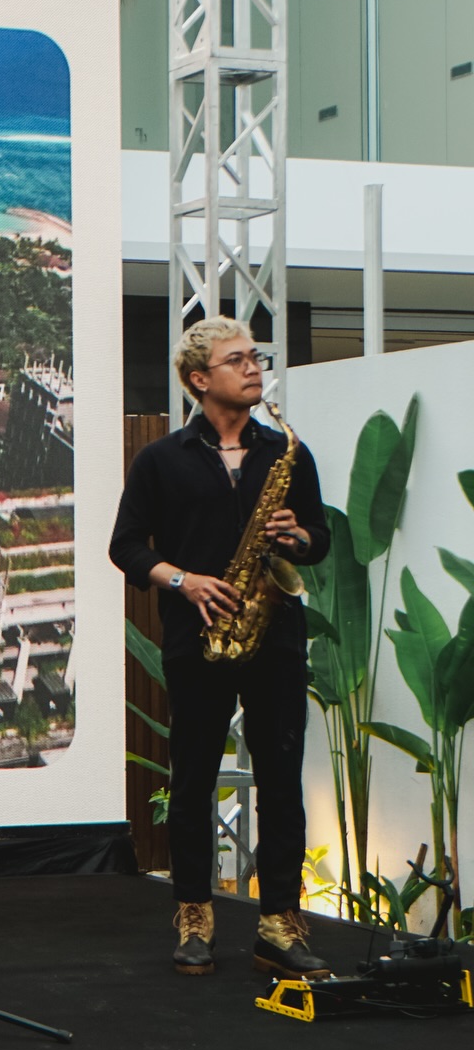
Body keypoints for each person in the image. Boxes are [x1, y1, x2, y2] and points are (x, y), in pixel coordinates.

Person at [109, 316, 333, 980]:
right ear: (199, 379)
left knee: (281, 782)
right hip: (197, 636)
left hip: (276, 635)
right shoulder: (161, 459)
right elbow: (126, 546)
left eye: (255, 356)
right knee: (193, 781)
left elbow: (320, 539)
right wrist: (185, 580)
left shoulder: (286, 452)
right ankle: (194, 915)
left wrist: (298, 538)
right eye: (238, 360)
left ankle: (279, 923)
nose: (254, 367)